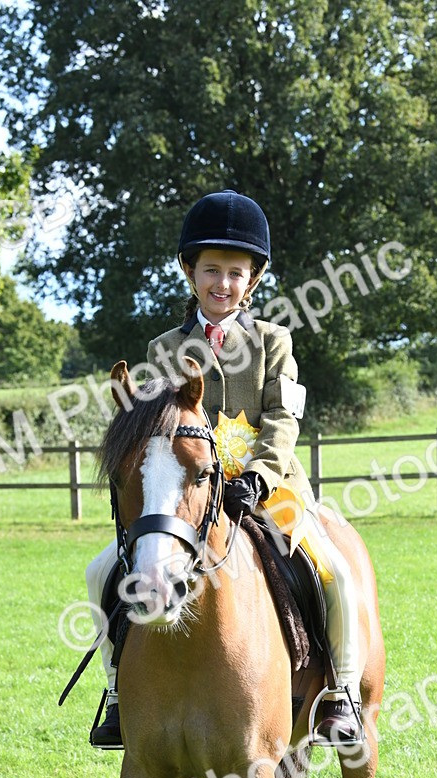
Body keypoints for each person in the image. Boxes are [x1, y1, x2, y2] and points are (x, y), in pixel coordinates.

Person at [86, 190, 362, 747]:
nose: (223, 284)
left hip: (270, 489)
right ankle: (118, 690)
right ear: (190, 273)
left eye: (235, 273)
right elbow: (155, 428)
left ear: (252, 280)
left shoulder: (273, 342)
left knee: (333, 569)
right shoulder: (165, 347)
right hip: (191, 497)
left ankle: (342, 694)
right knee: (100, 572)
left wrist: (260, 472)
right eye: (212, 270)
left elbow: (284, 417)